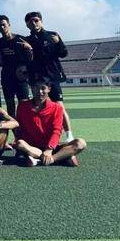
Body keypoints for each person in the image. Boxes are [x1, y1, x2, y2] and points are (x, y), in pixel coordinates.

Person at [25, 11, 74, 142]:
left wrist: (58, 43)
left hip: (52, 78)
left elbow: (64, 53)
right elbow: (26, 61)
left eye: (36, 20)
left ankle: (69, 135)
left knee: (59, 106)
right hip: (37, 79)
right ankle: (42, 136)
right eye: (30, 21)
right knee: (38, 108)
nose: (34, 23)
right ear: (27, 25)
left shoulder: (52, 35)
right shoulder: (27, 40)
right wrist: (28, 51)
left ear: (41, 21)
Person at [14, 81, 86, 167]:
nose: (40, 91)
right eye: (36, 88)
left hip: (52, 147)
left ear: (49, 89)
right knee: (20, 143)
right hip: (32, 147)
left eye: (43, 88)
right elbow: (19, 128)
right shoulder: (22, 106)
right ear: (32, 89)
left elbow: (57, 130)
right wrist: (17, 143)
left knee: (81, 143)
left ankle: (43, 160)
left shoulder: (57, 107)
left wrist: (49, 149)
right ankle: (63, 157)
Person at [0, 15, 33, 117]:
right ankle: (14, 126)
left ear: (9, 24)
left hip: (21, 77)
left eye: (4, 24)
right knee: (10, 106)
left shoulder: (21, 39)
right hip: (7, 77)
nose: (2, 27)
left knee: (24, 105)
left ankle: (24, 126)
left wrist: (30, 49)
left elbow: (30, 59)